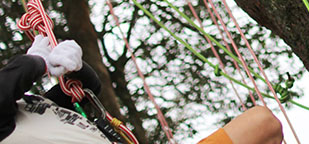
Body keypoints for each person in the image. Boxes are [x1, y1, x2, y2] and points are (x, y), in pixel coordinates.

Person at [0, 35, 283, 144]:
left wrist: (68, 65)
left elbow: (87, 87)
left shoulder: (26, 106)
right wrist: (36, 62)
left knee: (263, 123)